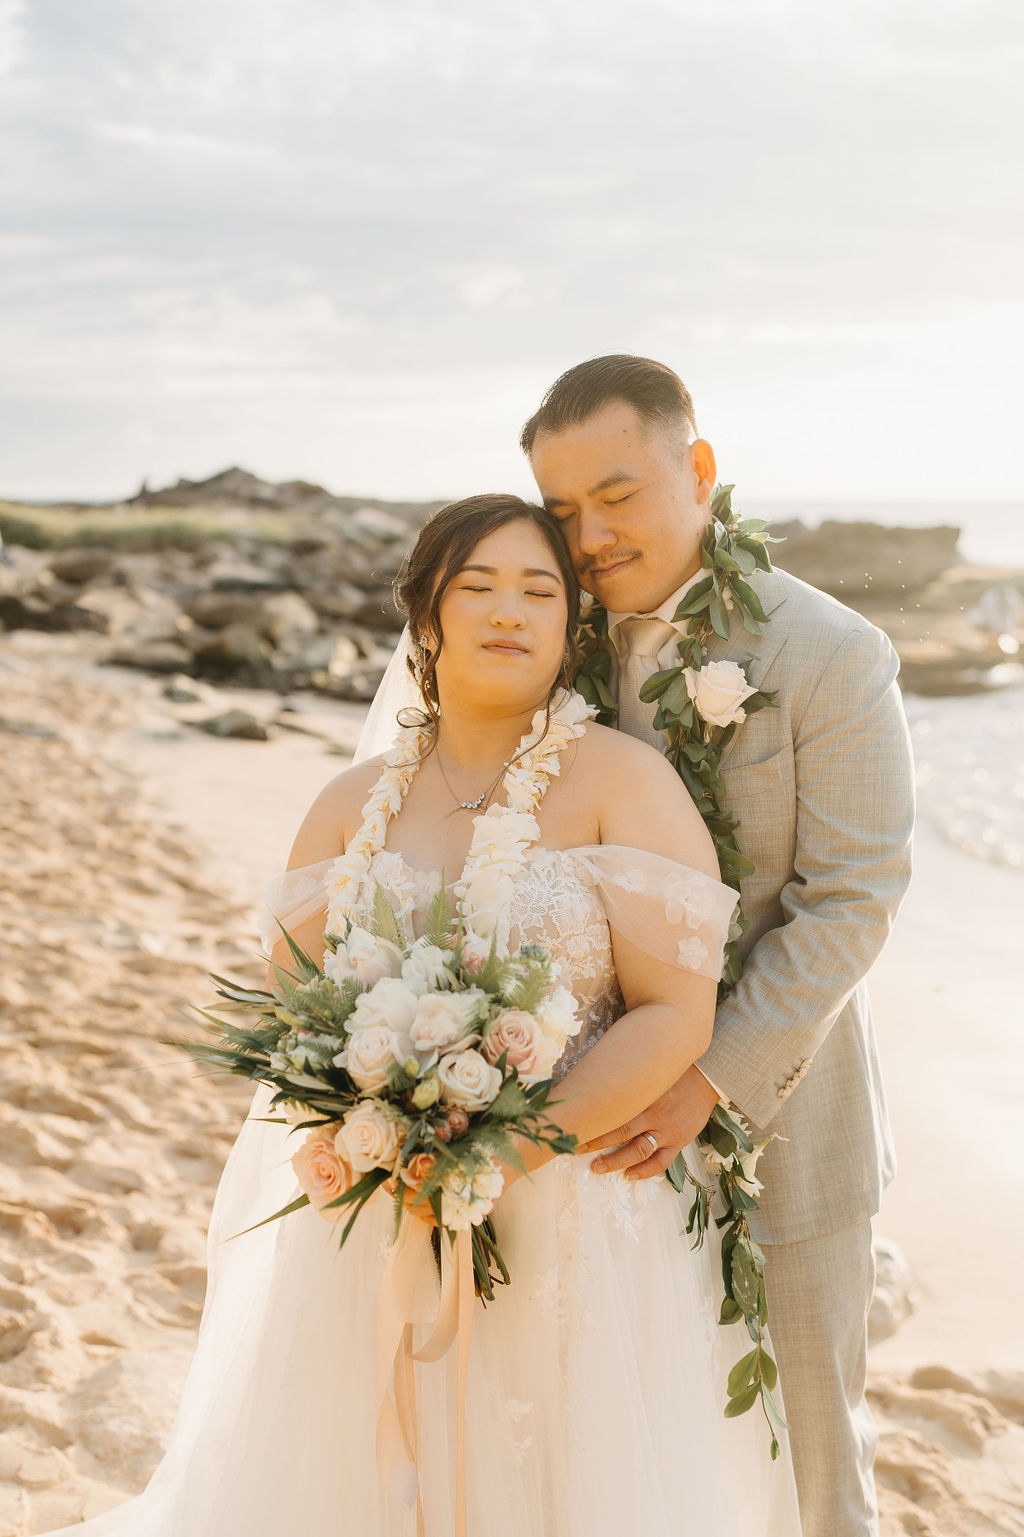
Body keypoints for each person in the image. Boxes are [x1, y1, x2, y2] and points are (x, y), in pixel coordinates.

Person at [43, 493, 802, 1536]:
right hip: (376, 1209)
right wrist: (381, 1134)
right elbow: (294, 1015)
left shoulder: (623, 782)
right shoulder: (347, 805)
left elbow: (674, 1012)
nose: (509, 610)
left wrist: (501, 1149)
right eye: (476, 586)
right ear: (425, 619)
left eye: (540, 590)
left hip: (577, 1213)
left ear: (572, 626)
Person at [519, 355, 916, 1537]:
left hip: (784, 1129)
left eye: (617, 492)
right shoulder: (551, 642)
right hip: (589, 1138)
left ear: (697, 468)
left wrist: (706, 1078)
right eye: (559, 510)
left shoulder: (830, 654)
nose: (587, 535)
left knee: (802, 1463)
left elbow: (851, 899)